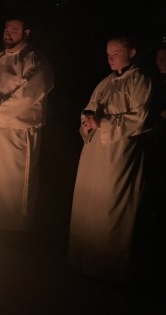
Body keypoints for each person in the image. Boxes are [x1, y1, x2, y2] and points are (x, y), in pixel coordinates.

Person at [68, 36, 151, 284]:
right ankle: (83, 259)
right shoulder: (106, 82)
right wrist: (87, 121)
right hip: (95, 152)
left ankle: (106, 267)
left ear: (132, 52)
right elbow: (90, 107)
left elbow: (139, 118)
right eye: (108, 53)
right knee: (89, 201)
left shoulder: (140, 81)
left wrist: (103, 123)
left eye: (116, 52)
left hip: (117, 154)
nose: (111, 57)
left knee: (110, 206)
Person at [0, 15, 54, 232]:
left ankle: (14, 230)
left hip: (16, 132)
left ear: (26, 33)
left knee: (12, 186)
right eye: (6, 29)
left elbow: (29, 93)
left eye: (14, 30)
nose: (8, 34)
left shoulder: (35, 59)